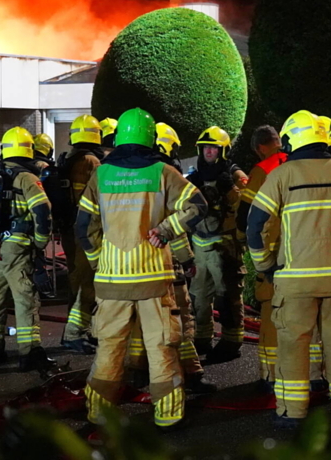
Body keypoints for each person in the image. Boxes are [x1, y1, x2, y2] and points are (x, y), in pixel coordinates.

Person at [245, 110, 331, 431]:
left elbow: (255, 226)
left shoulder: (281, 175)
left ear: (292, 138)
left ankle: (291, 413)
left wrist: (265, 265)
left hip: (294, 283)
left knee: (293, 344)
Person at [75, 108, 208, 429]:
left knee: (109, 350)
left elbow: (83, 227)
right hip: (154, 281)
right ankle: (168, 416)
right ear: (151, 138)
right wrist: (165, 230)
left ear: (119, 139)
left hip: (111, 281)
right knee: (161, 348)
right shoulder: (163, 172)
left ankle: (98, 414)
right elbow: (198, 206)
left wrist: (99, 261)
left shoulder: (101, 175)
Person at [127, 121, 215, 393]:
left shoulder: (125, 176)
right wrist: (187, 260)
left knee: (139, 320)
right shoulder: (165, 176)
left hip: (128, 264)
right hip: (163, 263)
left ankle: (136, 371)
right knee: (180, 316)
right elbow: (174, 224)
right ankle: (190, 374)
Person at [0, 126, 55, 373]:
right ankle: (28, 353)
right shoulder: (28, 178)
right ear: (28, 150)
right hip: (18, 250)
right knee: (25, 301)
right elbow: (43, 211)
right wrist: (41, 242)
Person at [187, 126, 248, 362]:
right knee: (199, 296)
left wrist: (230, 189)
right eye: (205, 148)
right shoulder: (197, 175)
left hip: (226, 246)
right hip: (200, 245)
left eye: (213, 147)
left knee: (228, 296)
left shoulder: (234, 175)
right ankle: (202, 338)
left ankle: (231, 342)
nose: (209, 152)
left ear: (223, 151)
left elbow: (246, 205)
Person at [236, 125, 287, 392]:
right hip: (303, 253)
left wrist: (239, 238)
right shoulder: (297, 163)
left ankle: (270, 376)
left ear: (260, 147)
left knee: (270, 314)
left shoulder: (262, 170)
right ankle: (314, 375)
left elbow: (245, 215)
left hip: (273, 252)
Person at [57, 115, 105, 353]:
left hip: (71, 228)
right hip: (85, 230)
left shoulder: (70, 159)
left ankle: (78, 329)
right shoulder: (90, 161)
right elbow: (97, 200)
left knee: (76, 277)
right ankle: (74, 334)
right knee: (86, 281)